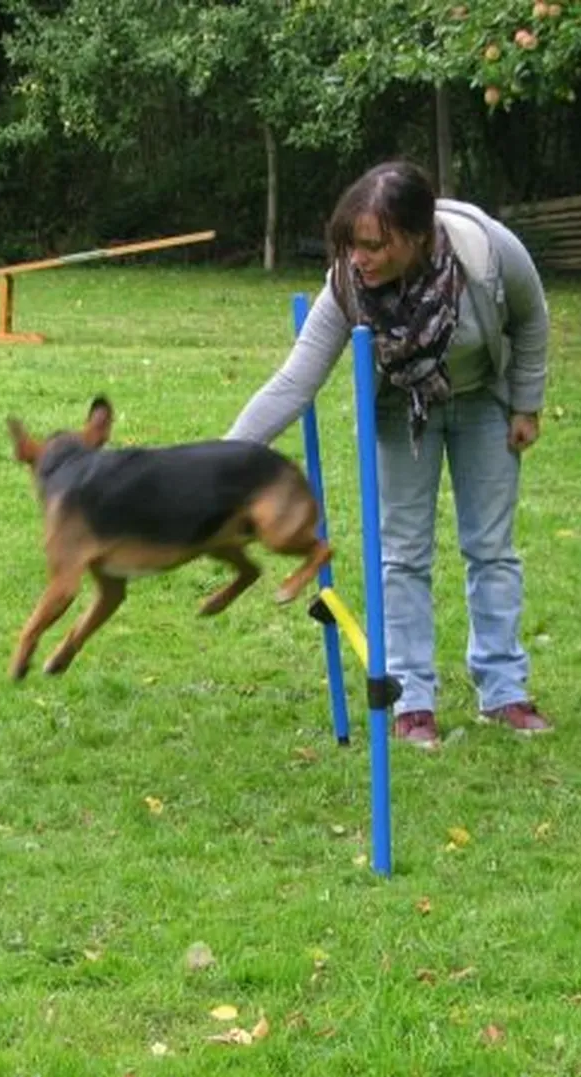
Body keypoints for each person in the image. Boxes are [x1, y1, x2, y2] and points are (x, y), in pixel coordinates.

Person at [224, 160, 551, 748]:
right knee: (401, 555)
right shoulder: (346, 287)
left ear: (417, 238)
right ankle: (410, 699)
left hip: (483, 400)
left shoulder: (487, 255)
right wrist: (220, 459)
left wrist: (526, 403)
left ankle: (503, 692)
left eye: (373, 246)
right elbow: (294, 383)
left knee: (491, 549)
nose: (359, 258)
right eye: (351, 245)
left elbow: (531, 320)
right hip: (402, 410)